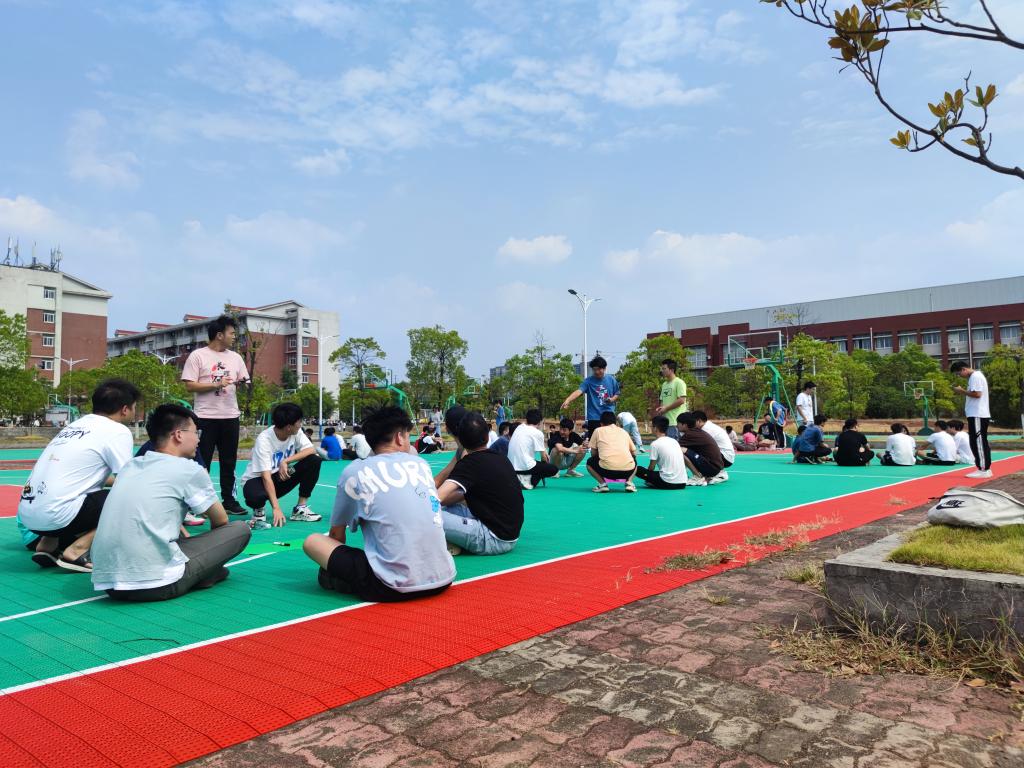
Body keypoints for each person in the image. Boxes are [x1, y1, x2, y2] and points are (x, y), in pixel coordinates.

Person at [90, 404, 251, 601]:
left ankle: (201, 572)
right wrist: (214, 560)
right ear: (179, 435)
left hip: (108, 583)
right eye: (196, 432)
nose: (198, 439)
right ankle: (203, 574)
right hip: (157, 584)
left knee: (176, 539)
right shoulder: (189, 469)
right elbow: (221, 521)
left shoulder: (131, 466)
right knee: (240, 529)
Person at [302, 405, 455, 602]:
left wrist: (335, 568)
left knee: (312, 541)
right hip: (443, 578)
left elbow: (336, 535)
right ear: (400, 438)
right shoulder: (421, 465)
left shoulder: (354, 471)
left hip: (391, 587)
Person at [18, 379, 139, 572]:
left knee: (71, 490)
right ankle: (77, 550)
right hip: (58, 517)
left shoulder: (75, 426)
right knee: (132, 497)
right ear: (125, 409)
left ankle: (47, 546)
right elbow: (128, 479)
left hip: (29, 517)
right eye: (134, 407)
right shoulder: (117, 431)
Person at [181, 314, 250, 515]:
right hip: (204, 418)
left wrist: (244, 384)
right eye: (232, 333)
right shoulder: (198, 356)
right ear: (219, 335)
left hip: (230, 416)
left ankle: (229, 501)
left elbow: (245, 380)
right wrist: (216, 384)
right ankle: (198, 504)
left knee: (229, 461)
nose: (234, 337)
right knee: (201, 461)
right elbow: (189, 385)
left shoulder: (236, 358)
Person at [436, 412, 524, 555]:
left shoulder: (469, 463)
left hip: (493, 539)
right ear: (488, 436)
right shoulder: (501, 458)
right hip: (509, 534)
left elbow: (435, 498)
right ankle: (451, 540)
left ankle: (446, 542)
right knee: (445, 509)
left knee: (428, 515)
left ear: (461, 440)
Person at [240, 402, 323, 530]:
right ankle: (258, 510)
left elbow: (311, 450)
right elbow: (266, 477)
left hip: (280, 476)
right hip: (257, 480)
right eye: (299, 421)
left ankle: (300, 509)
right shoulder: (264, 439)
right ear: (289, 427)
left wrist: (285, 461)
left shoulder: (296, 432)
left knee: (314, 460)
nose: (301, 424)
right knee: (255, 496)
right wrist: (276, 508)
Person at [559, 355, 620, 436]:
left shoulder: (611, 379)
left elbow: (617, 393)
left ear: (604, 368)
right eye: (594, 370)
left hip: (608, 415)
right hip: (594, 417)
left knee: (610, 439)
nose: (597, 372)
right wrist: (568, 400)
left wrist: (612, 399)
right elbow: (579, 391)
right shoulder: (588, 381)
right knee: (594, 440)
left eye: (599, 369)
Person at [951, 361, 992, 478]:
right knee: (978, 441)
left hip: (978, 414)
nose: (959, 376)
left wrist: (962, 391)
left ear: (963, 369)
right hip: (977, 414)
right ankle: (984, 468)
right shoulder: (974, 377)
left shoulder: (975, 376)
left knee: (978, 442)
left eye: (959, 373)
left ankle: (983, 469)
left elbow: (977, 394)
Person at [586, 411, 638, 493]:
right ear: (615, 422)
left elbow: (593, 454)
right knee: (634, 461)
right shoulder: (624, 431)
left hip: (606, 471)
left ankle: (603, 484)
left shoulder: (598, 430)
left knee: (589, 462)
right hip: (628, 471)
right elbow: (634, 453)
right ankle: (629, 483)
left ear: (601, 423)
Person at [507, 409, 559, 489]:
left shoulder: (519, 427)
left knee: (537, 466)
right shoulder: (538, 433)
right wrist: (544, 466)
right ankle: (528, 481)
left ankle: (520, 477)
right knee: (553, 469)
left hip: (511, 467)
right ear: (540, 422)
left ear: (526, 419)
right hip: (525, 466)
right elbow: (543, 457)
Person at [635, 416, 688, 490]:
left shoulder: (655, 444)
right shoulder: (674, 441)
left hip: (668, 483)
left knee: (638, 469)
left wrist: (648, 478)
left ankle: (623, 481)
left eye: (651, 426)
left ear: (655, 428)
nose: (651, 428)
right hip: (682, 483)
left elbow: (651, 467)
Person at [676, 412, 725, 486]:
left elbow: (673, 448)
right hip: (716, 468)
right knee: (684, 450)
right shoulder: (696, 431)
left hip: (712, 468)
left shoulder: (690, 435)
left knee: (680, 450)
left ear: (685, 425)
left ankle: (697, 477)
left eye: (678, 423)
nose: (677, 425)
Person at [693, 411, 734, 480]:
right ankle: (717, 472)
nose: (691, 425)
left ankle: (717, 473)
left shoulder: (706, 429)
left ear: (699, 421)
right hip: (726, 456)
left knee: (693, 451)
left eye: (692, 422)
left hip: (725, 458)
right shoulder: (708, 426)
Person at [653, 359, 687, 439]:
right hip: (665, 423)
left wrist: (666, 408)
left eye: (664, 368)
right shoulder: (664, 384)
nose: (662, 371)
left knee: (675, 445)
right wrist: (661, 409)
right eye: (662, 369)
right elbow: (662, 401)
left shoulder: (679, 382)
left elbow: (681, 400)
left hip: (675, 422)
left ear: (671, 370)